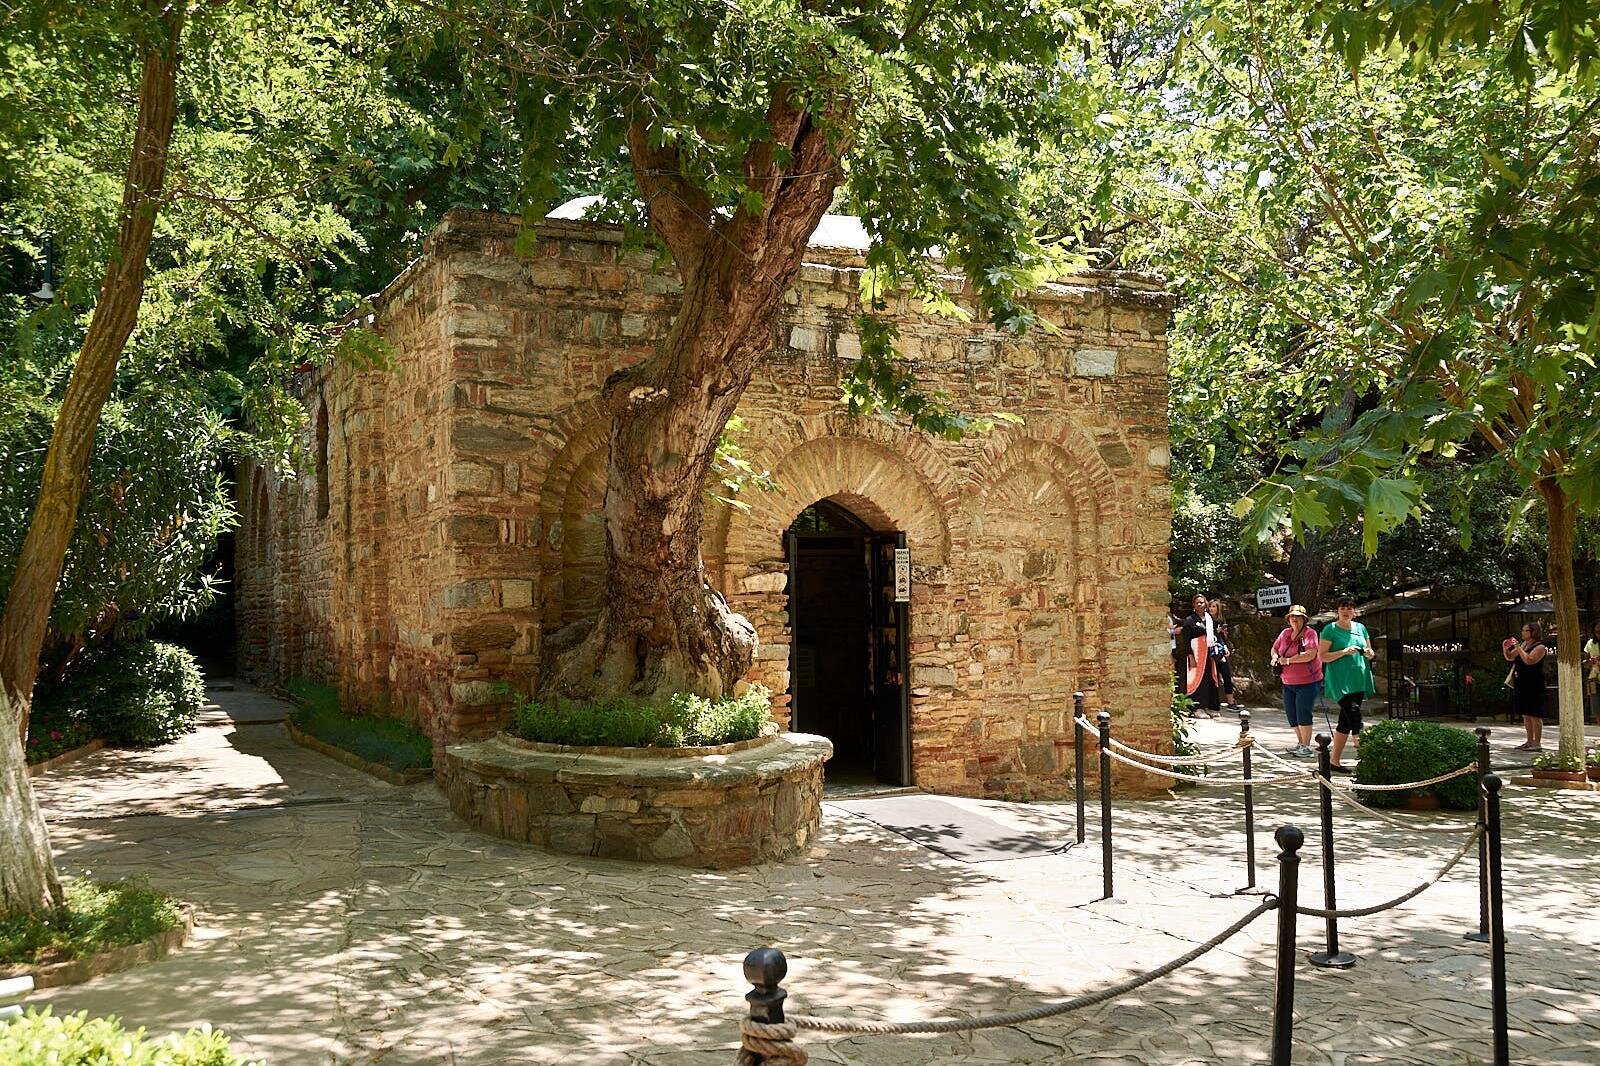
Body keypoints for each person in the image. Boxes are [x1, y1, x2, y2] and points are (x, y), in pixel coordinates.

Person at [1319, 596, 1375, 773]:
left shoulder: (1361, 628)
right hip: (1339, 680)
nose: (1346, 611)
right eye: (1342, 608)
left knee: (1345, 721)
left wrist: (1369, 653)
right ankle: (1365, 754)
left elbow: (1370, 652)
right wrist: (1343, 652)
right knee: (1354, 713)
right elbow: (1323, 656)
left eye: (1349, 608)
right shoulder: (1330, 629)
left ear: (1354, 611)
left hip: (1359, 678)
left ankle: (1334, 762)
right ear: (1337, 611)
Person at [1271, 605, 1322, 756]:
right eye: (1292, 616)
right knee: (1292, 715)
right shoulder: (1285, 633)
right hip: (1287, 682)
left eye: (1298, 617)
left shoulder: (1310, 633)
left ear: (1304, 619)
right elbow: (1274, 648)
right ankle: (1300, 743)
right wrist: (1275, 657)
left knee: (1303, 713)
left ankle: (1306, 746)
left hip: (1308, 682)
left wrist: (1288, 661)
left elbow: (1310, 654)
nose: (1294, 619)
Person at [1504, 621, 1549, 750]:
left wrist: (1519, 648)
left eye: (1525, 630)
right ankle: (1529, 741)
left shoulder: (1540, 647)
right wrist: (1505, 648)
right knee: (1526, 713)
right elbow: (1510, 657)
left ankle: (1537, 743)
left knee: (1534, 713)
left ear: (1533, 632)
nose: (1522, 633)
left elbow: (1529, 660)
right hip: (1521, 682)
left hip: (1534, 683)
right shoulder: (1523, 644)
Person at [1181, 592, 1221, 717]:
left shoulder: (1209, 619)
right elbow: (1186, 640)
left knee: (1209, 678)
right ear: (1193, 605)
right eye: (1197, 602)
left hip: (1208, 655)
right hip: (1196, 654)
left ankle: (1208, 705)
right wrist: (1190, 656)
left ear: (1205, 604)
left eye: (1202, 602)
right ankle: (1197, 708)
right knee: (1197, 679)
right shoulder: (1189, 620)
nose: (1200, 604)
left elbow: (1215, 635)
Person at [1208, 598, 1242, 710]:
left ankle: (1230, 701)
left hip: (1221, 650)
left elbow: (1222, 637)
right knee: (1214, 676)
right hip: (1211, 651)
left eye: (1214, 606)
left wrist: (1225, 644)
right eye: (1210, 606)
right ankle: (1213, 702)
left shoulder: (1221, 621)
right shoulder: (1207, 620)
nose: (1211, 609)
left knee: (1226, 675)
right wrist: (1215, 632)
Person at [1584, 620, 1600, 725]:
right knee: (1596, 708)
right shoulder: (1590, 643)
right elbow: (1584, 663)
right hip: (1594, 679)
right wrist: (1590, 661)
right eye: (1597, 631)